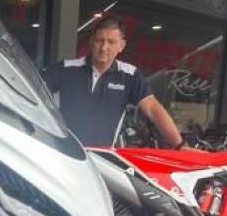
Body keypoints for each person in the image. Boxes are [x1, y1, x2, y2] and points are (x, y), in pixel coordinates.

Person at [41, 16, 186, 149]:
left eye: (111, 42)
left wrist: (180, 145)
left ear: (121, 45)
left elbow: (153, 109)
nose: (104, 47)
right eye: (99, 40)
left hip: (102, 158)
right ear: (91, 42)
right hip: (63, 153)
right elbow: (34, 95)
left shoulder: (130, 76)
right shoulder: (65, 69)